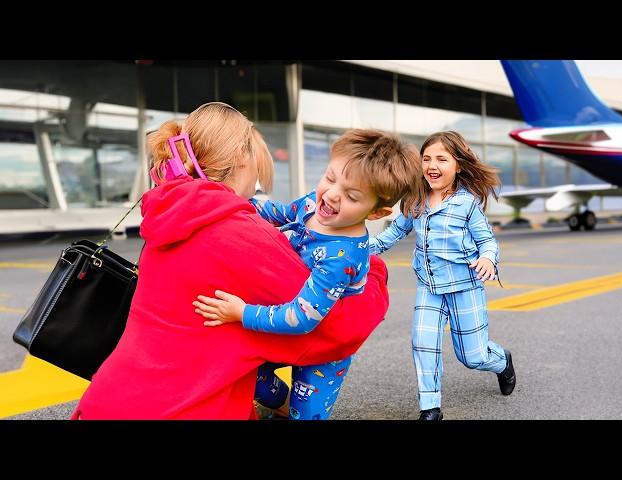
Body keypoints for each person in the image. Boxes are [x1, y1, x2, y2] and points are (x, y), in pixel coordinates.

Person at [70, 102, 391, 420]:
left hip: (106, 402)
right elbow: (334, 330)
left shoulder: (173, 214)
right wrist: (374, 271)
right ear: (242, 158)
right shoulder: (240, 236)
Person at [193, 129, 423, 420]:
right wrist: (226, 192)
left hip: (323, 342)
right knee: (247, 377)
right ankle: (281, 404)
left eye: (351, 196)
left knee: (307, 414)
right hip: (285, 314)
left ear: (377, 213)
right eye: (329, 177)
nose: (332, 194)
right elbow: (274, 212)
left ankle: (295, 410)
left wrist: (242, 313)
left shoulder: (341, 258)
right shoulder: (314, 205)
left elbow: (301, 318)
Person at [368, 130, 516, 421]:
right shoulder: (415, 200)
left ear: (458, 165)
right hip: (429, 288)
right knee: (422, 342)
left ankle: (502, 361)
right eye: (426, 159)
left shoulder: (467, 204)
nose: (432, 165)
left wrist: (487, 258)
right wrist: (360, 248)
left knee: (473, 357)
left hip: (465, 288)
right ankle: (430, 408)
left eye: (441, 159)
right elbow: (394, 232)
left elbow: (487, 241)